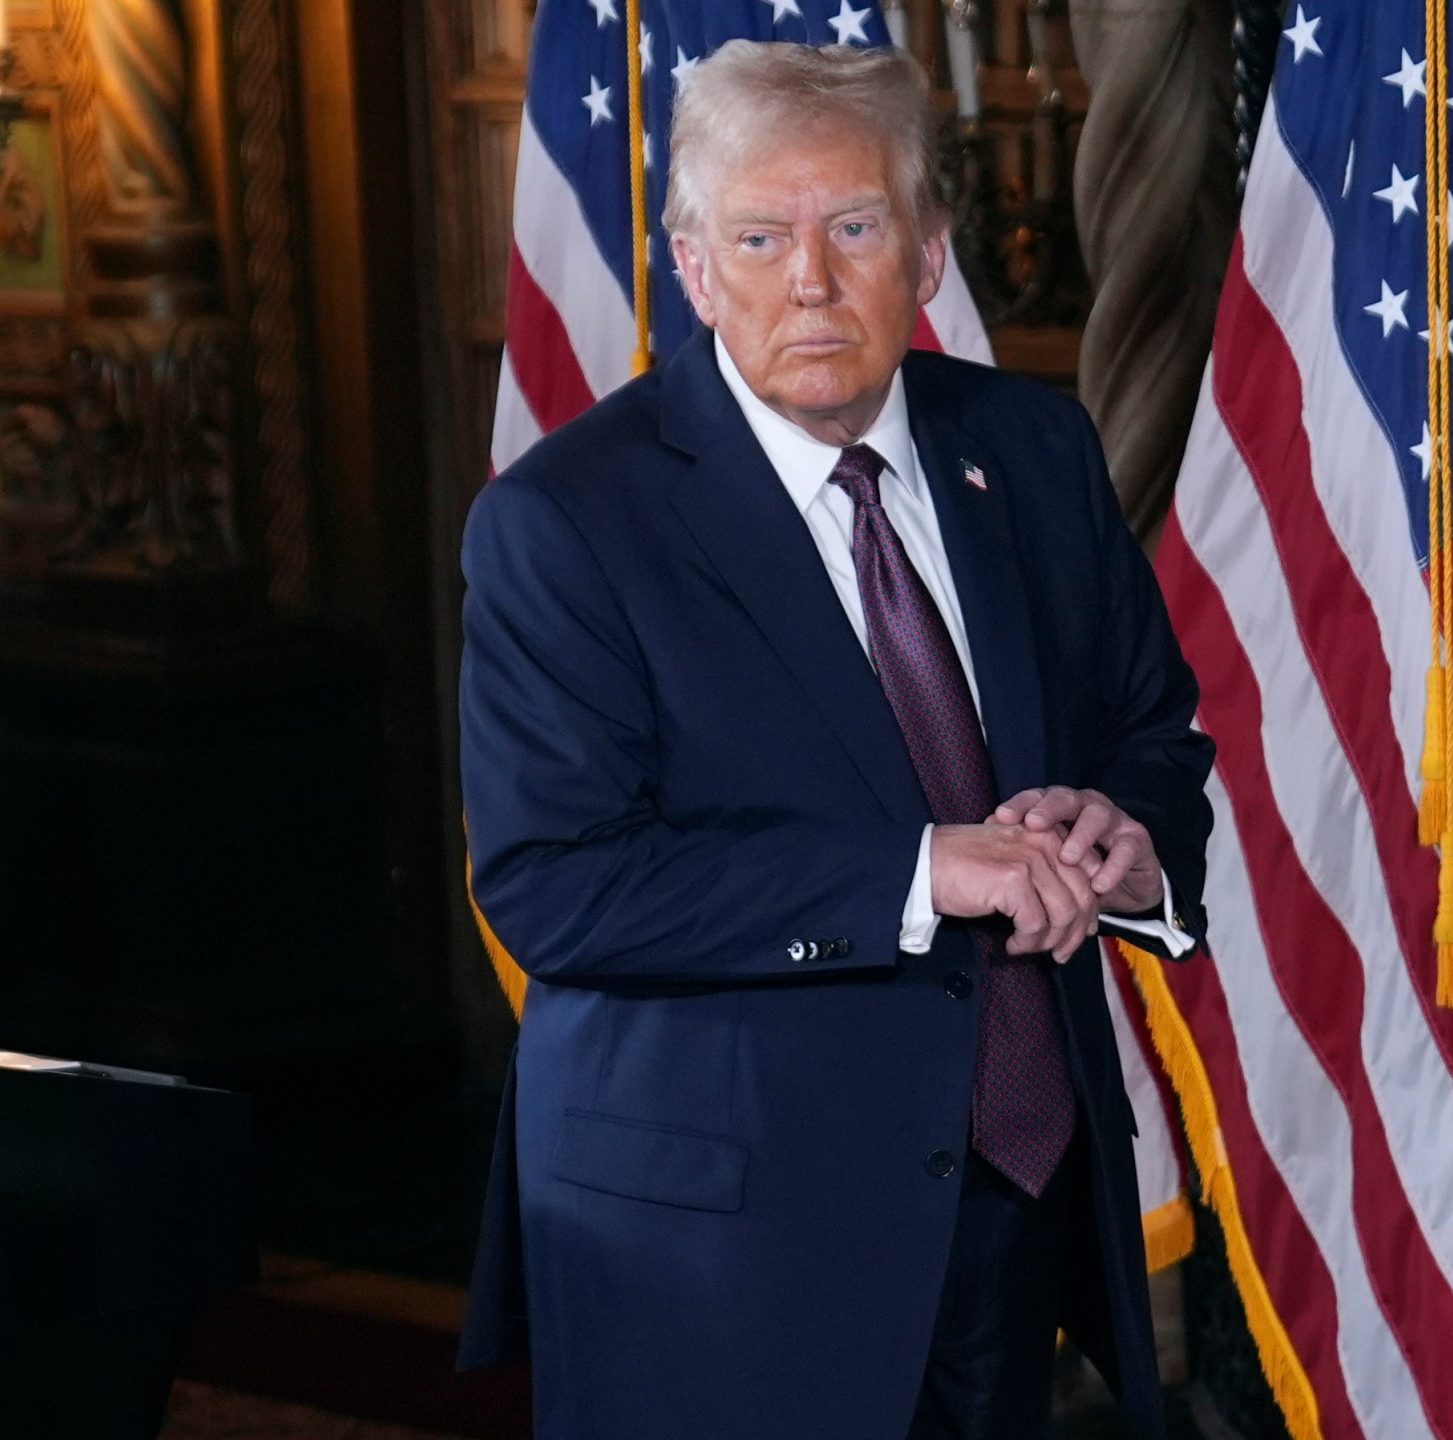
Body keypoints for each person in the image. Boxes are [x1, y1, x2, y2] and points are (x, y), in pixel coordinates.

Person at [455, 40, 1214, 1440]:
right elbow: (556, 882)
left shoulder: (1034, 451)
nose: (811, 279)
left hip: (1012, 1195)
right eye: (760, 236)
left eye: (855, 227)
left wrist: (1132, 838)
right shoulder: (568, 522)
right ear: (693, 266)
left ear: (927, 255)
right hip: (724, 1239)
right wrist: (921, 873)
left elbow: (1154, 732)